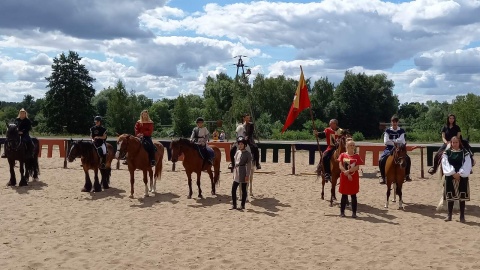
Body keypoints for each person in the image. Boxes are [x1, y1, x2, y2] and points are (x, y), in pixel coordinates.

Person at [441, 136, 472, 222]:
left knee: (462, 197)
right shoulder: (447, 152)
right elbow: (445, 163)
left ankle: (462, 216)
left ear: (459, 143)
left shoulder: (464, 152)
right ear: (451, 143)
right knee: (450, 196)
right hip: (450, 175)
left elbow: (467, 163)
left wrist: (460, 173)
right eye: (453, 143)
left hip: (461, 175)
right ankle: (449, 215)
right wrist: (453, 173)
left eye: (456, 142)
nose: (455, 144)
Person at [378, 115, 412, 184]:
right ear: (391, 122)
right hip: (389, 148)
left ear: (398, 122)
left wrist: (393, 141)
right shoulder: (387, 131)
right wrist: (396, 141)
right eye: (393, 121)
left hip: (400, 148)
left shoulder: (401, 130)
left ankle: (407, 175)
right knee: (381, 159)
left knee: (408, 158)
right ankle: (383, 177)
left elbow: (402, 141)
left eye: (396, 121)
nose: (395, 123)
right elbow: (386, 141)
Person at [338, 140, 364, 218]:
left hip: (353, 178)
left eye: (353, 145)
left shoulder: (357, 156)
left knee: (353, 195)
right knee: (344, 195)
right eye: (351, 145)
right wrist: (345, 172)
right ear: (347, 146)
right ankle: (342, 212)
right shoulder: (342, 155)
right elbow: (340, 165)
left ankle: (354, 213)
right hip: (344, 177)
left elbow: (357, 167)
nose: (352, 146)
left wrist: (349, 172)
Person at [230, 136, 252, 210]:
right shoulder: (237, 152)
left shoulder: (248, 154)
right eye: (239, 144)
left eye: (242, 144)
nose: (240, 145)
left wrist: (247, 175)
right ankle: (234, 204)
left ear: (245, 145)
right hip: (236, 171)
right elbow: (236, 160)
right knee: (233, 189)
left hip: (243, 171)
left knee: (243, 189)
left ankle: (242, 205)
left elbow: (249, 166)